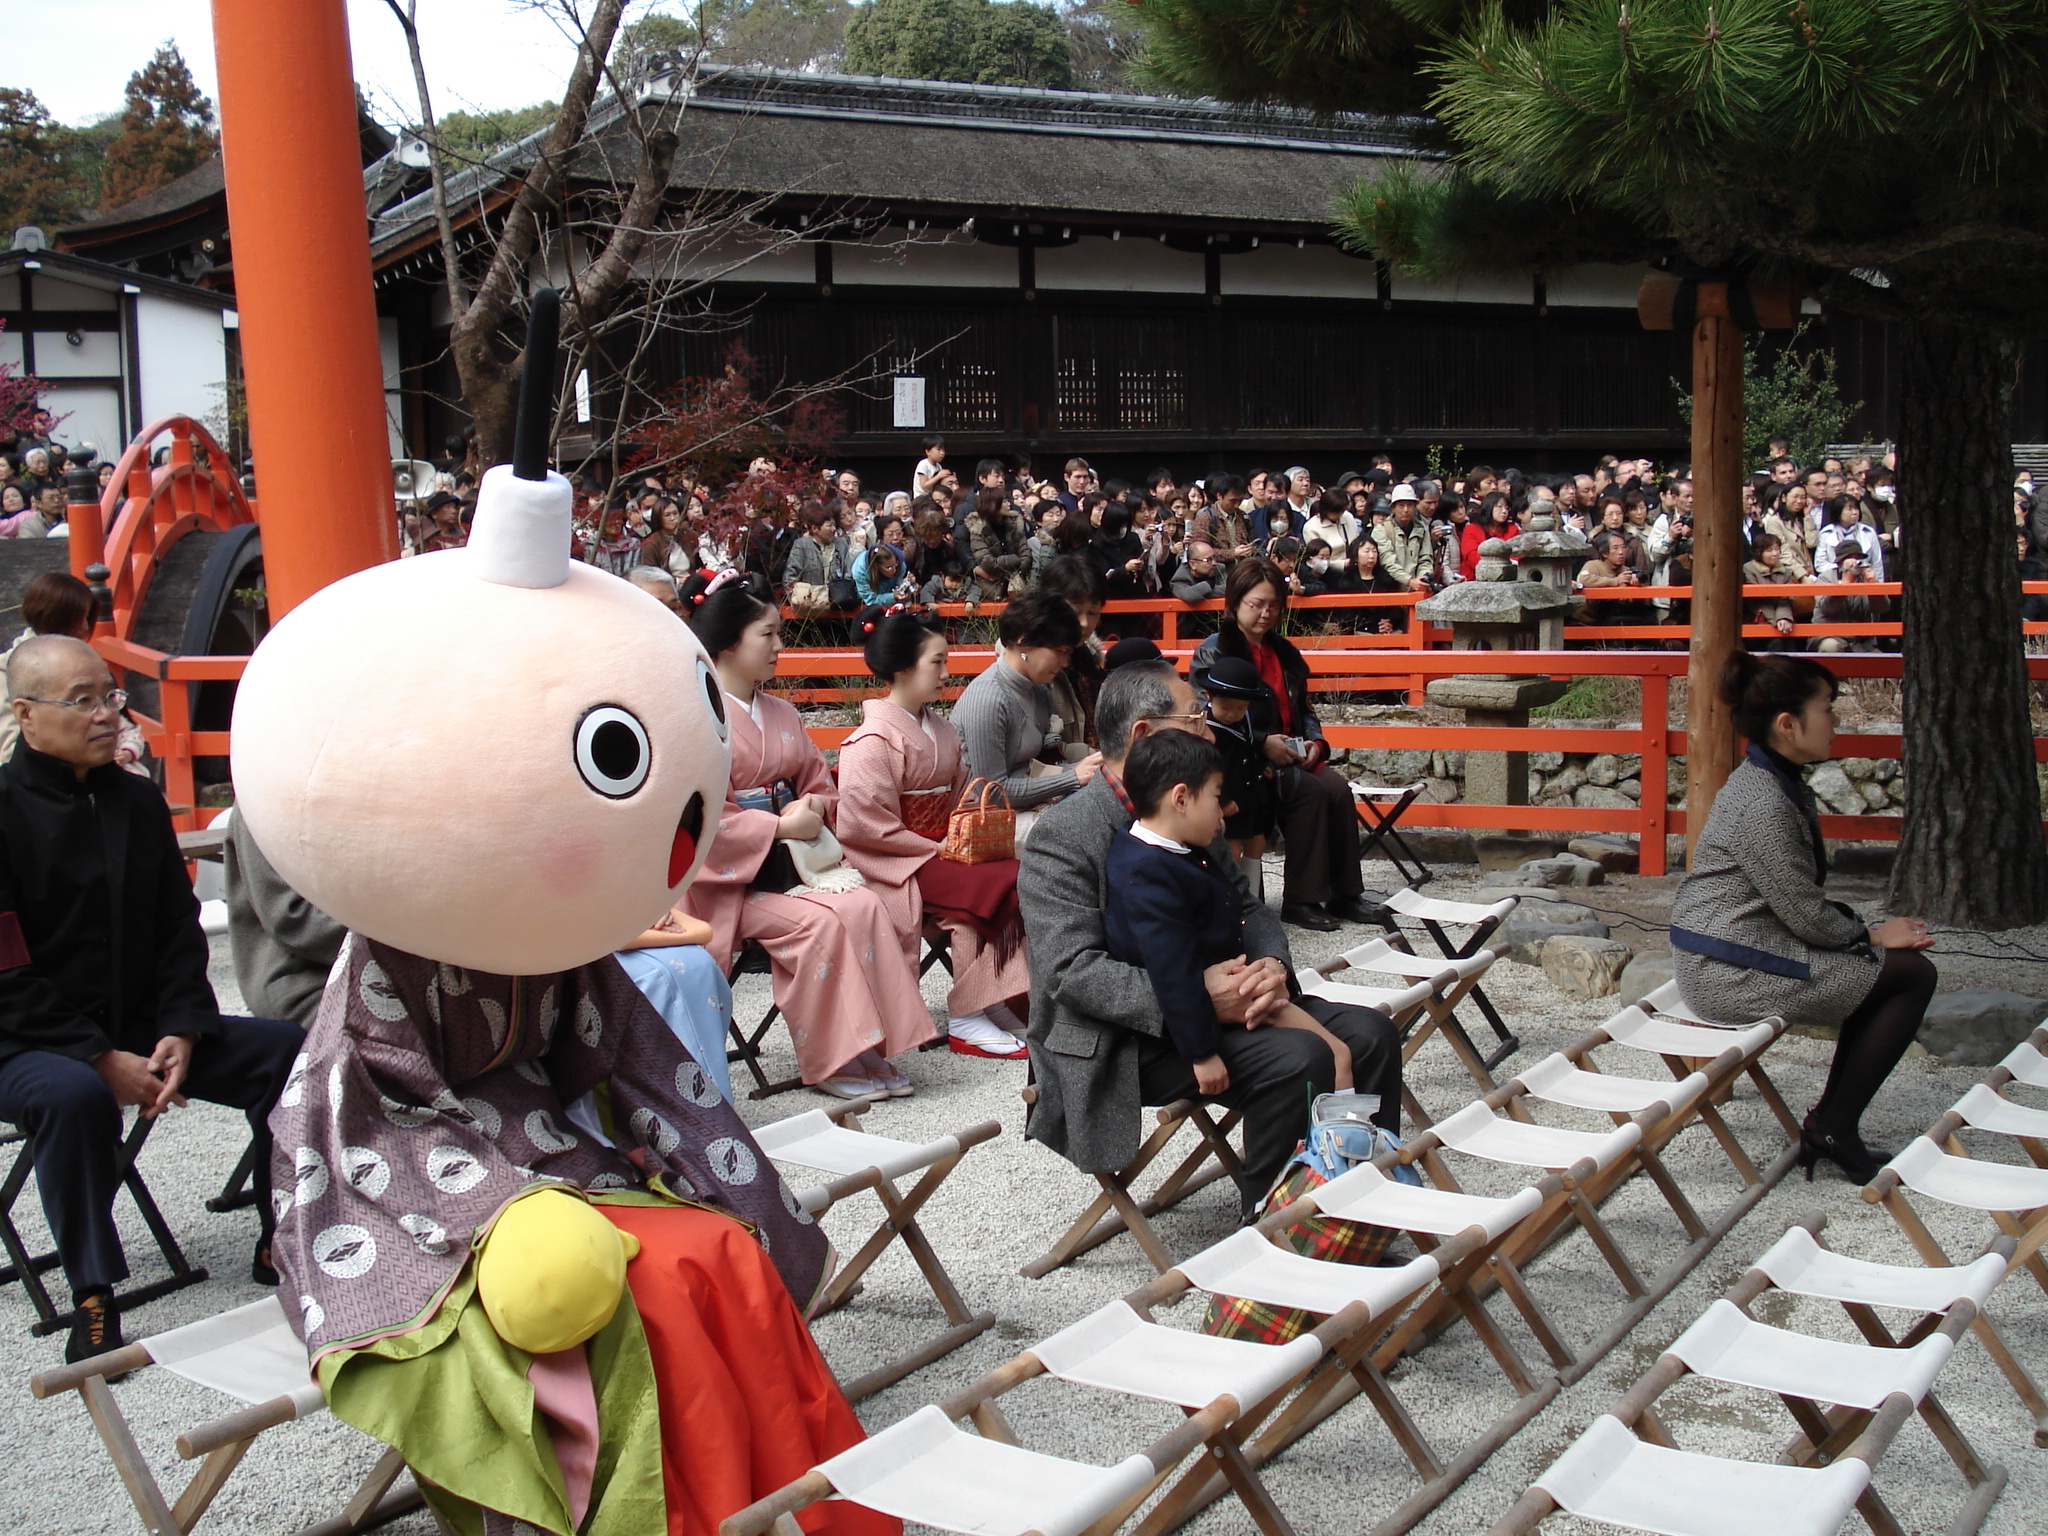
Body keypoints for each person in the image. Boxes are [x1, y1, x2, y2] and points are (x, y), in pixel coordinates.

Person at [0, 635, 302, 1363]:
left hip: (143, 1025)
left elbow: (177, 930)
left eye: (109, 696)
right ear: (25, 715)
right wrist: (101, 1057)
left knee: (289, 1052)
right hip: (31, 1041)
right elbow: (6, 975)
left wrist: (182, 1029)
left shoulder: (134, 798)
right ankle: (93, 1292)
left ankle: (280, 1238)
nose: (107, 715)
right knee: (72, 1094)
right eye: (82, 701)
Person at [1018, 659, 1402, 1220]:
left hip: (1224, 999)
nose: (1207, 728)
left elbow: (1247, 906)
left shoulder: (1191, 804)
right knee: (1298, 1056)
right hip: (1125, 1035)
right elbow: (1069, 972)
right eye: (1195, 718)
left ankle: (1355, 1207)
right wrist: (1197, 997)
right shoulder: (1064, 835)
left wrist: (1270, 963)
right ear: (1145, 733)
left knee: (1370, 1033)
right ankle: (1279, 1233)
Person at [1669, 653, 1936, 1183]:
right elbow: (1805, 914)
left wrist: (1868, 942)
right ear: (1787, 725)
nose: (1837, 721)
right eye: (1828, 709)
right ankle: (1834, 1125)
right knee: (1909, 976)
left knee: (1885, 971)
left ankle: (1833, 1124)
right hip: (1727, 966)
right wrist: (1871, 934)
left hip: (1739, 945)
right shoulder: (1763, 801)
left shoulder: (1773, 779)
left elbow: (1797, 905)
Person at [680, 582, 934, 1097]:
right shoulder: (694, 718)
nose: (779, 647)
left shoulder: (783, 713)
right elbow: (697, 818)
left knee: (864, 904)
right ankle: (833, 1061)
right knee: (818, 924)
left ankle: (872, 1048)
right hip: (730, 885)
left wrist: (814, 806)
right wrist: (777, 826)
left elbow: (819, 783)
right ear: (729, 642)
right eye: (768, 634)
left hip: (795, 867)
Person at [1107, 730, 1360, 1107]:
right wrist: (1203, 1053)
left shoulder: (1178, 847)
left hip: (1238, 991)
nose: (1223, 806)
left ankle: (1341, 1144)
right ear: (1180, 799)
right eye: (1215, 794)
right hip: (1189, 1025)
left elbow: (1241, 909)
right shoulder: (1148, 871)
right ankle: (1328, 1150)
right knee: (1330, 1054)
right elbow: (1171, 971)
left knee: (1346, 1046)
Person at [836, 611, 1032, 1060]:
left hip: (943, 848)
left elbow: (962, 794)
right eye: (937, 663)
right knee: (982, 890)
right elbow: (864, 823)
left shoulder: (941, 729)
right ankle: (967, 1014)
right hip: (893, 856)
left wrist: (962, 836)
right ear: (904, 668)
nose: (947, 674)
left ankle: (992, 999)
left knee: (1018, 874)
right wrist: (934, 846)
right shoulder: (872, 739)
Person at [1192, 561, 1388, 933]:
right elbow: (1211, 713)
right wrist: (1262, 742)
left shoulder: (1283, 652)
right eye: (1256, 604)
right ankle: (1302, 898)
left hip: (1293, 749)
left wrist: (1316, 741)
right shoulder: (1214, 651)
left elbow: (1302, 707)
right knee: (1308, 790)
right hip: (1244, 759)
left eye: (1273, 606)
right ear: (1234, 604)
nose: (1266, 613)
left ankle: (1346, 892)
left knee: (1336, 787)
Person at [952, 590, 1103, 825]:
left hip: (1029, 804)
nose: (1064, 663)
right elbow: (990, 793)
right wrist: (1073, 776)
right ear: (1023, 640)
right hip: (986, 819)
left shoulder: (1038, 688)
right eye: (1060, 651)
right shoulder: (988, 699)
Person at [0, 572, 146, 769]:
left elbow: (124, 727)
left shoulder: (88, 664)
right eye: (78, 618)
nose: (85, 627)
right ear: (53, 616)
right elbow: (10, 751)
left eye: (87, 618)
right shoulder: (9, 672)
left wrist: (126, 751)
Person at [1201, 655, 1278, 860]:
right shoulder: (1207, 729)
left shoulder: (1244, 721)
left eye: (1240, 708)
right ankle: (1234, 891)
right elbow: (1207, 769)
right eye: (1225, 707)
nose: (1231, 714)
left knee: (1257, 841)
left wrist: (1261, 766)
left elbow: (1248, 749)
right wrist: (1222, 800)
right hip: (1227, 798)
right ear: (1209, 696)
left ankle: (1251, 888)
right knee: (1232, 848)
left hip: (1248, 794)